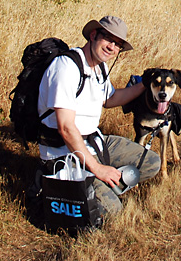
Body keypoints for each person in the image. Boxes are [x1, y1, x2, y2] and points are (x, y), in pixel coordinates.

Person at [35, 15, 160, 215]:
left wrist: (145, 84)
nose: (112, 47)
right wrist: (98, 169)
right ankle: (56, 185)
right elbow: (66, 128)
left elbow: (110, 99)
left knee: (151, 163)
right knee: (113, 211)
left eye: (118, 44)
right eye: (108, 39)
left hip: (95, 143)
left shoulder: (100, 67)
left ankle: (99, 186)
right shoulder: (66, 67)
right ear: (93, 35)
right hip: (65, 154)